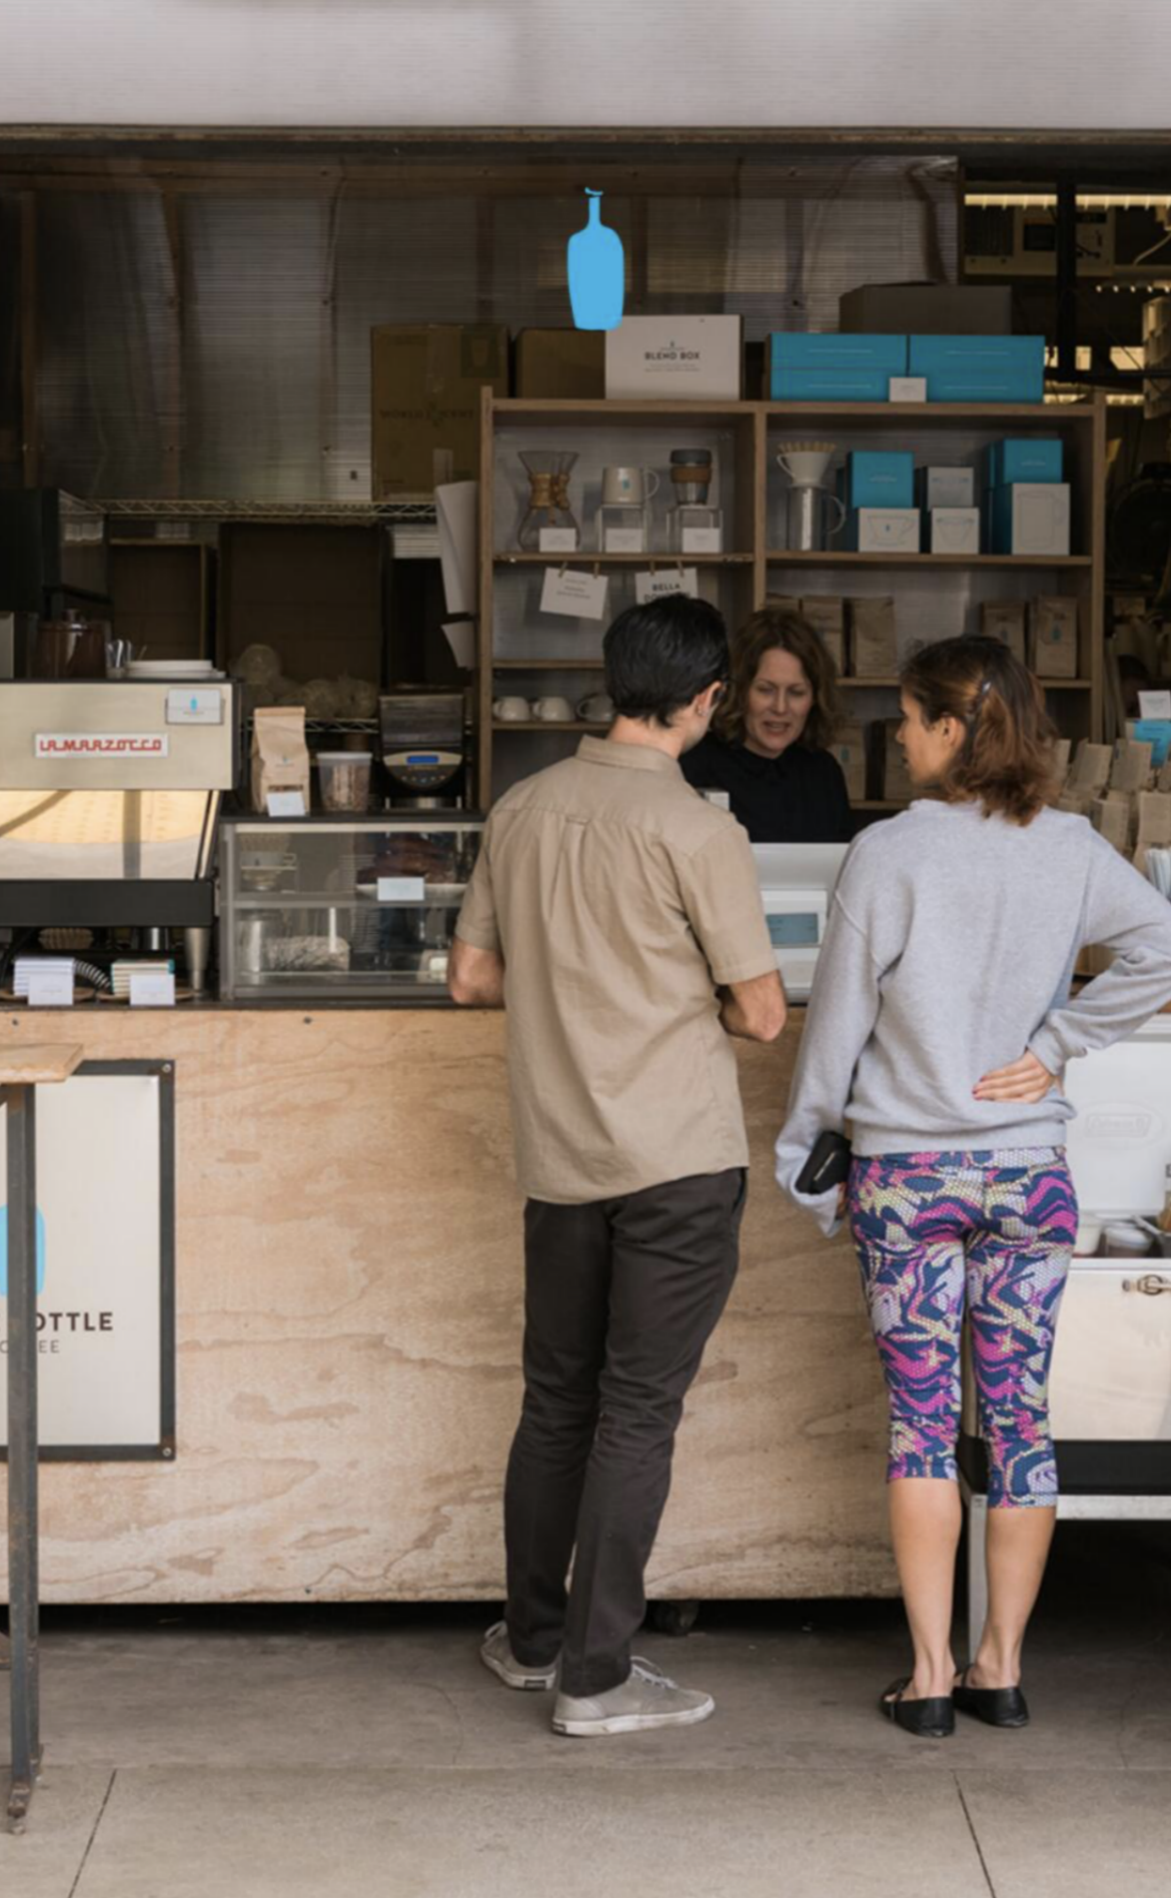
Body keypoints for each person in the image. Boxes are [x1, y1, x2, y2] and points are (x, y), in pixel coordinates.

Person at [775, 634, 1171, 1741]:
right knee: (1018, 1420)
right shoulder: (1068, 844)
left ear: (954, 729)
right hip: (1028, 1173)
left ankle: (925, 1676)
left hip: (907, 1175)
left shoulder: (885, 851)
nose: (900, 737)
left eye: (910, 720)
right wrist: (1061, 1042)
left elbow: (837, 1022)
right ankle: (999, 1665)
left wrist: (805, 1150)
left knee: (922, 1424)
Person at [449, 593, 786, 1738]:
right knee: (637, 1411)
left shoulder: (523, 806)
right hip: (675, 1161)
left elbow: (470, 978)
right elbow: (762, 1012)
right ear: (706, 700)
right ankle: (594, 1678)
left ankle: (532, 1636)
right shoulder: (700, 830)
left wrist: (573, 984)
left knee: (556, 1401)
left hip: (562, 1156)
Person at [681, 605, 853, 842]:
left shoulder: (824, 773)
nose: (780, 707)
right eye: (765, 690)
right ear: (738, 691)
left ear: (815, 698)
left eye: (796, 692)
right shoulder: (692, 767)